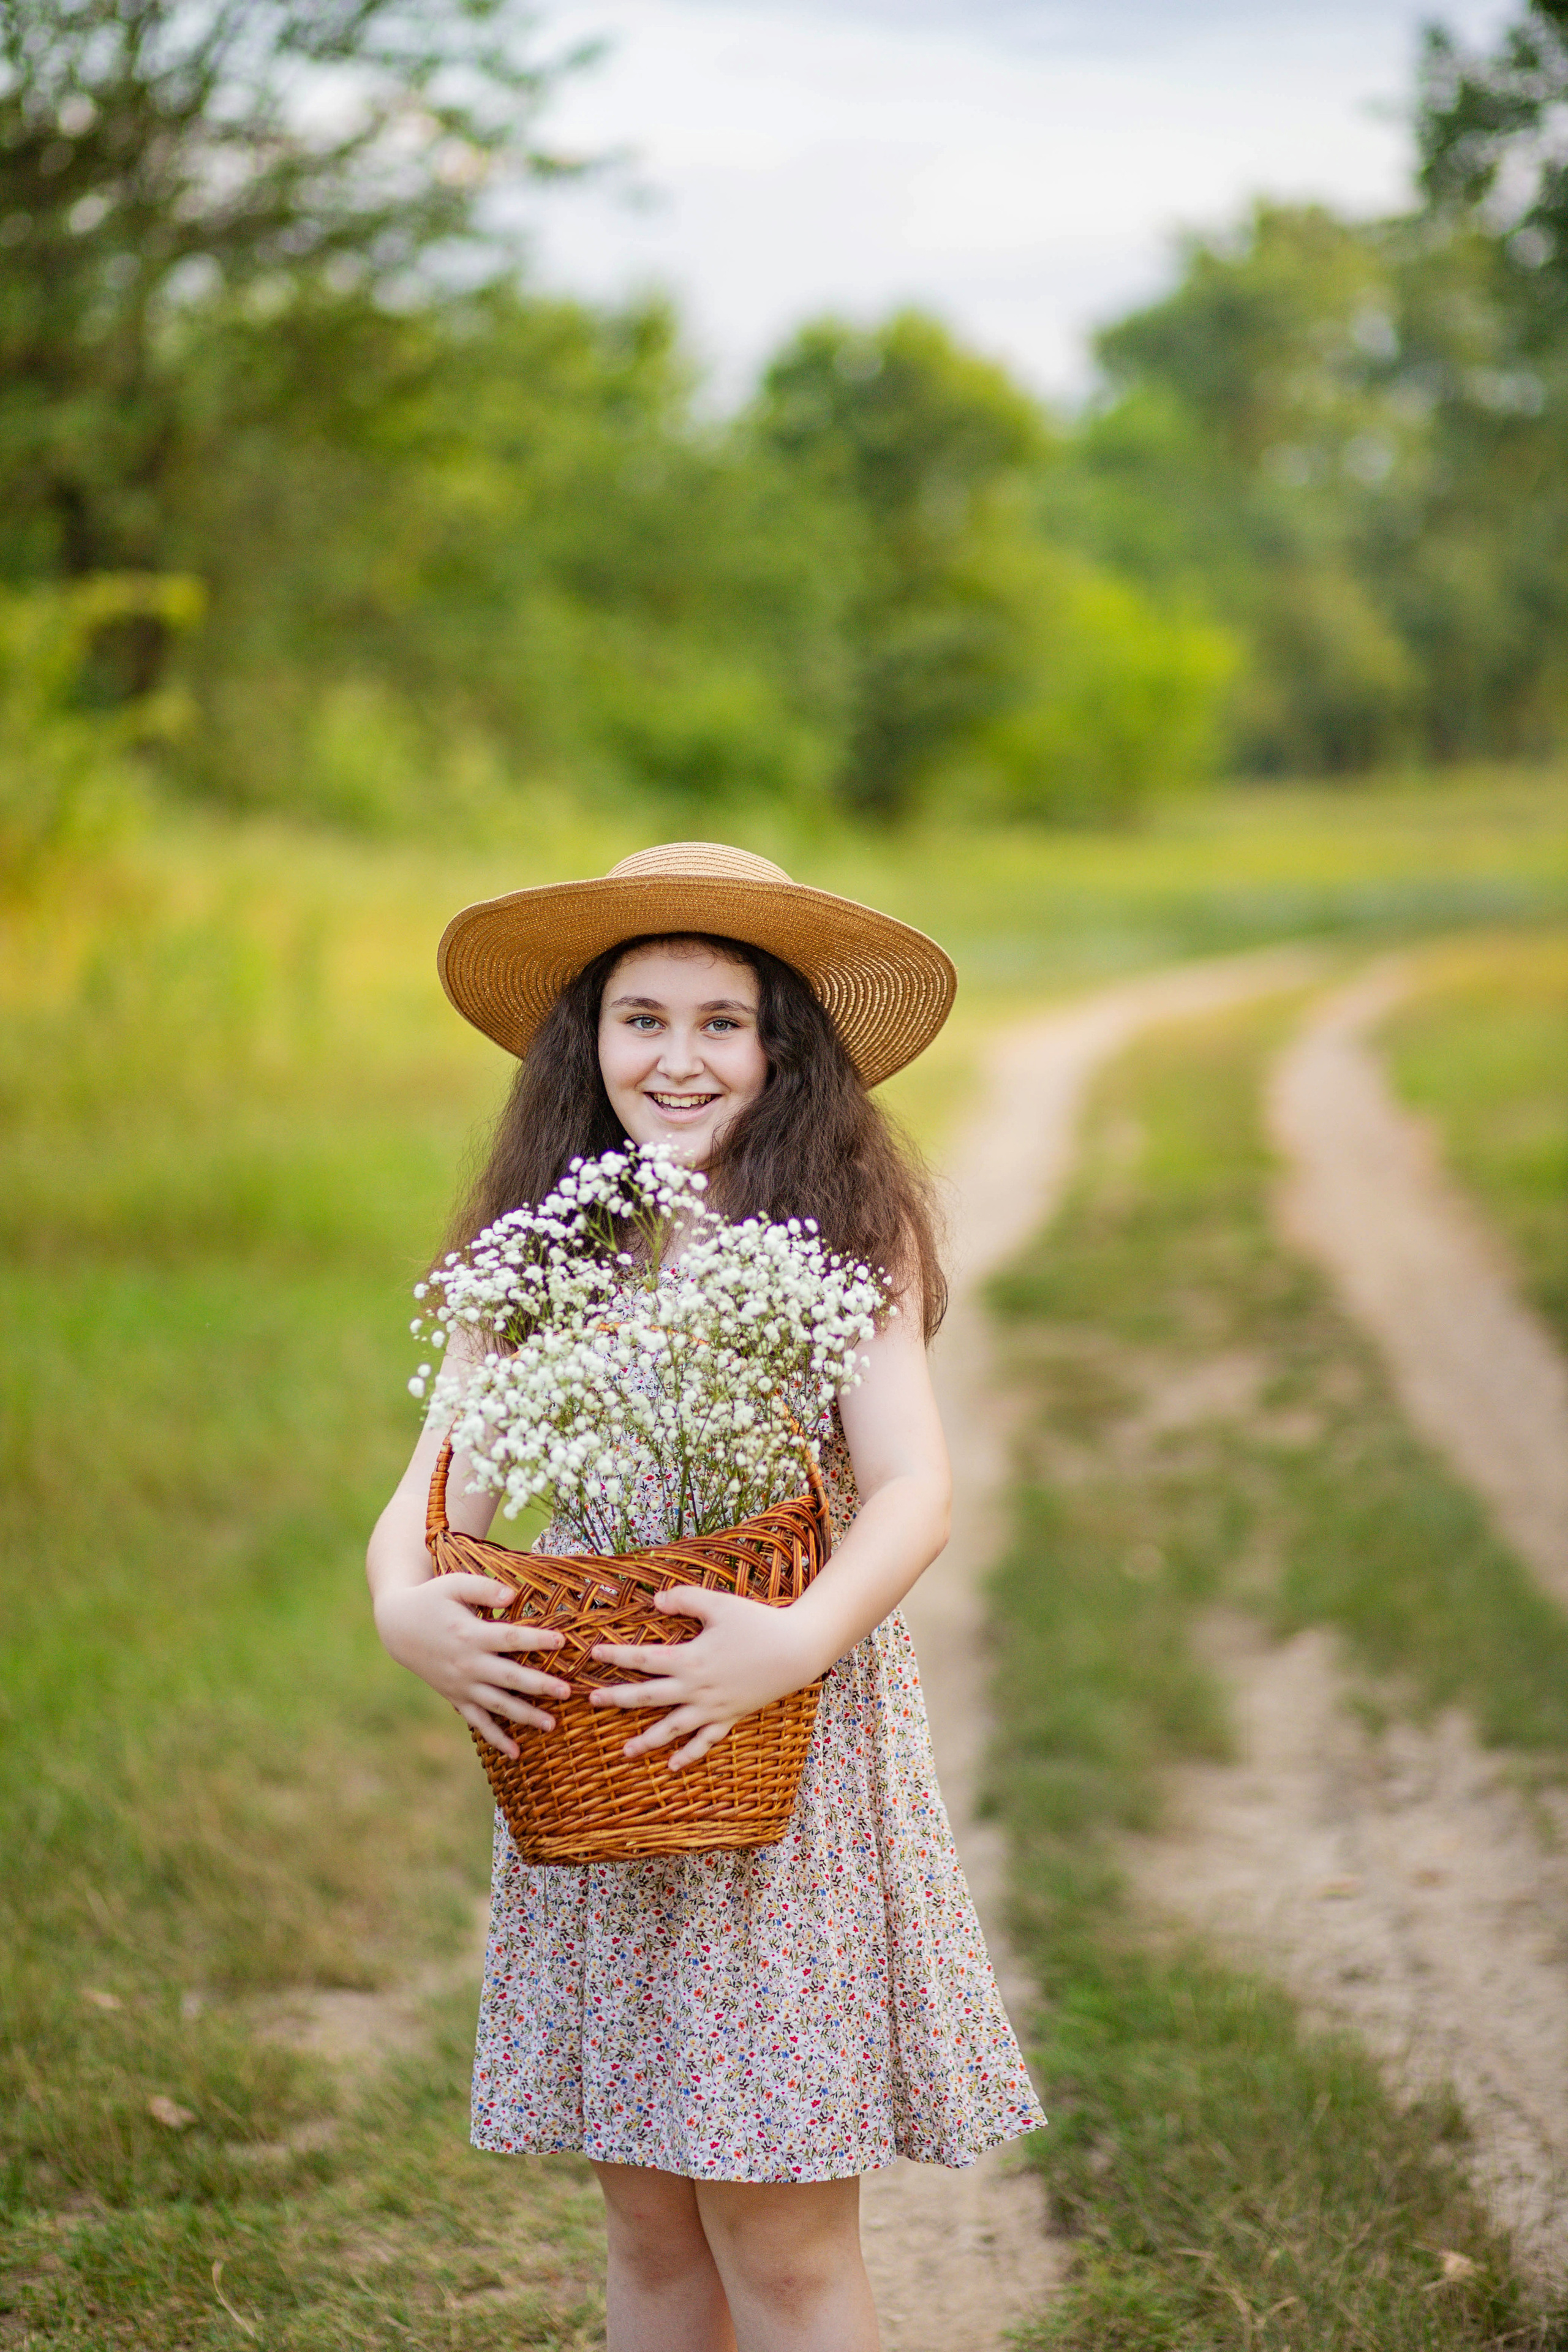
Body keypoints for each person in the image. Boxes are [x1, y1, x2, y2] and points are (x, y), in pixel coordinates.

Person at [366, 842, 1046, 2352]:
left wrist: (793, 1639)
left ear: (780, 1046)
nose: (677, 1058)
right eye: (641, 1018)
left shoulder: (840, 1228)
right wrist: (400, 1606)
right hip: (604, 1765)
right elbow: (437, 1497)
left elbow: (914, 1488)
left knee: (780, 2232)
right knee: (650, 2222)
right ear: (585, 1043)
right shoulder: (545, 1245)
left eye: (720, 1021)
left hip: (782, 1751)